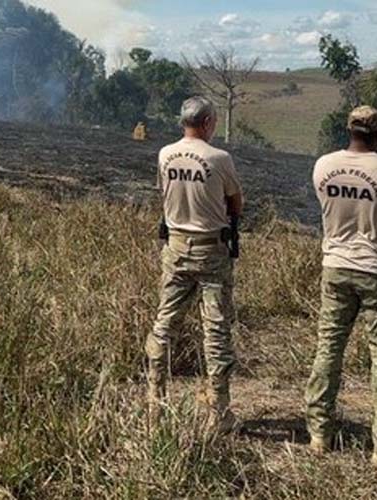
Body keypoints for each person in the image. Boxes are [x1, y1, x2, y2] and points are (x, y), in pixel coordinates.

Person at [305, 105, 377, 467]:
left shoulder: (323, 166)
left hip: (336, 268)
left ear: (349, 130)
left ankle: (319, 434)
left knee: (328, 349)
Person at [146, 96, 244, 431]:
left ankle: (154, 401)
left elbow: (164, 193)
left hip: (175, 246)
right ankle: (219, 413)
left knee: (164, 323)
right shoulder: (219, 158)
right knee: (215, 330)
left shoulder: (165, 154)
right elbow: (235, 203)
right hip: (211, 251)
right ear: (206, 123)